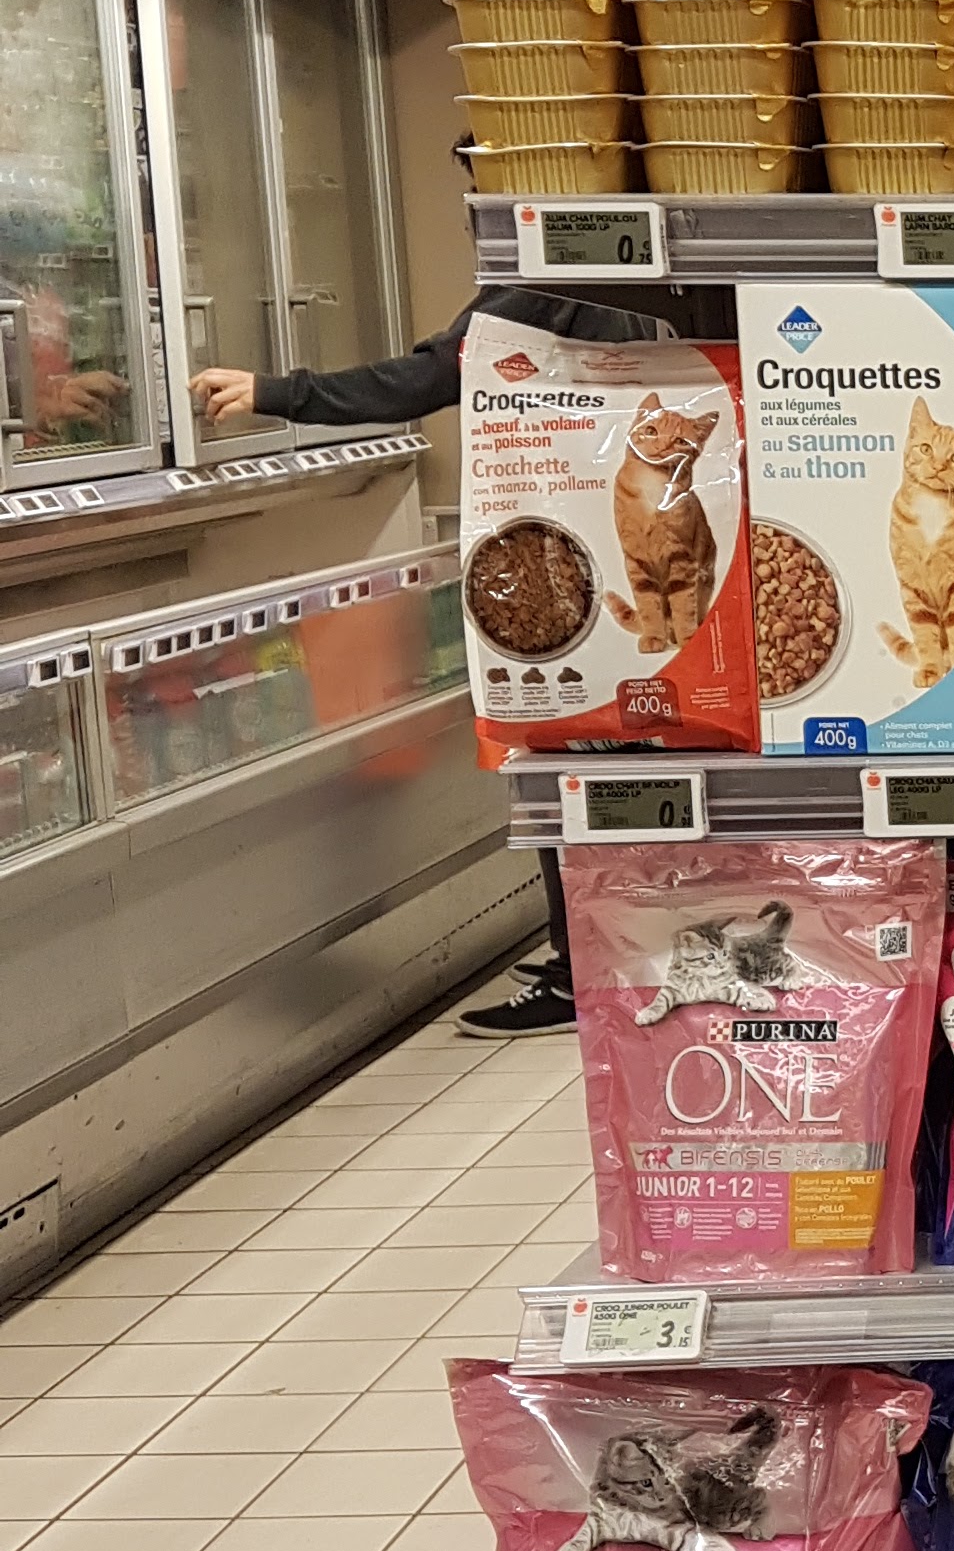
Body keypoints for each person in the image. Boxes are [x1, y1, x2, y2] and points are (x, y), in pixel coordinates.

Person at [194, 282, 683, 1040]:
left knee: (564, 767)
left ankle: (587, 973)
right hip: (621, 536)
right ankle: (608, 955)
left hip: (570, 553)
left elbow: (427, 378)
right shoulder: (608, 281)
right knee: (602, 765)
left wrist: (275, 392)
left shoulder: (541, 285)